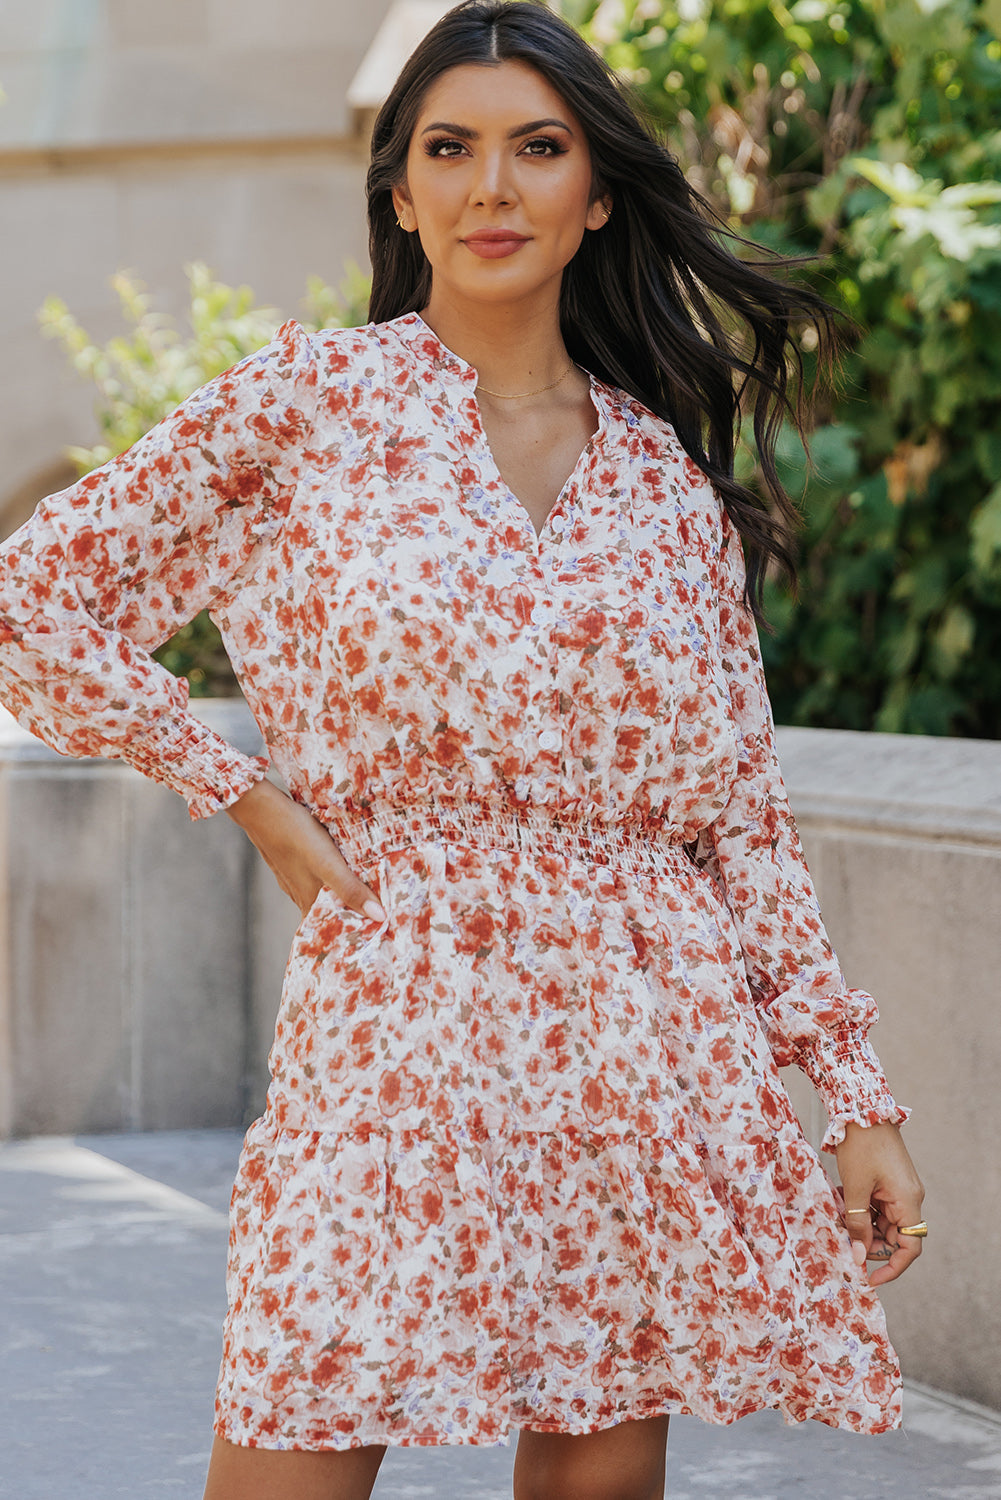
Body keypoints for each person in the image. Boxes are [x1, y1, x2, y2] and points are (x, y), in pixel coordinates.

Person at [0, 3, 925, 1497]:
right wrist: (247, 797)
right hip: (398, 1009)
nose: (492, 188)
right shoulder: (309, 407)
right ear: (401, 190)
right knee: (298, 1440)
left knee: (595, 1480)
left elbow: (738, 822)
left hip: (644, 1031)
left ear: (597, 191)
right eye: (452, 149)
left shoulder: (663, 492)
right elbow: (34, 603)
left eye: (536, 149)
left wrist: (858, 1101)